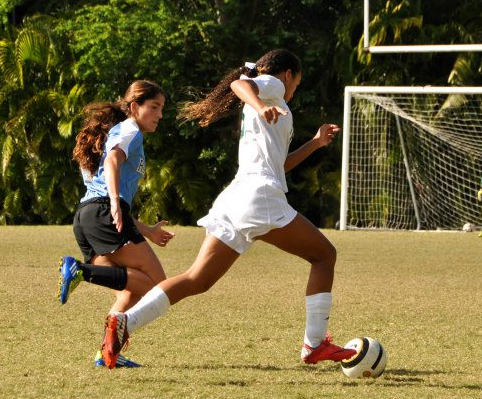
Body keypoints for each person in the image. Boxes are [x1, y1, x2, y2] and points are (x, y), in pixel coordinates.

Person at [99, 49, 354, 369]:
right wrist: (261, 104)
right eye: (296, 84)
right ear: (288, 74)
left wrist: (315, 143)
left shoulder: (271, 102)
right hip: (259, 196)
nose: (293, 90)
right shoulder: (273, 86)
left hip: (239, 197)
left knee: (197, 279)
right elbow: (240, 85)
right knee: (324, 256)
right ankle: (314, 345)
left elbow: (280, 165)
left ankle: (124, 323)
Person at [57, 80, 176, 368]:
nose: (160, 114)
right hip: (102, 213)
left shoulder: (121, 131)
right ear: (135, 107)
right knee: (159, 285)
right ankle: (81, 271)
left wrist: (147, 230)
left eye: (162, 108)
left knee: (130, 291)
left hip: (88, 217)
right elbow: (112, 162)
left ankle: (108, 352)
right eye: (154, 107)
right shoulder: (131, 129)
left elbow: (110, 192)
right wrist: (113, 202)